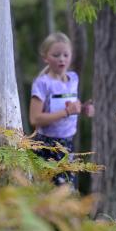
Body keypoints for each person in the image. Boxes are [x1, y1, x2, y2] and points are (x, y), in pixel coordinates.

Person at [29, 32, 94, 186]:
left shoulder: (74, 79)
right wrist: (66, 112)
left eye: (66, 54)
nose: (61, 59)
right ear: (45, 57)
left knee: (68, 193)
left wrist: (83, 109)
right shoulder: (42, 83)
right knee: (52, 194)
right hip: (47, 145)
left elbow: (70, 105)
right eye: (56, 55)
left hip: (68, 143)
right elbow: (34, 119)